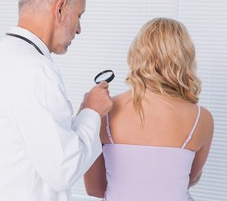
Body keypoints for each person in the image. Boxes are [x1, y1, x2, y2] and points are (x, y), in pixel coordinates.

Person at [0, 0, 113, 201]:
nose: (79, 29)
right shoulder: (34, 71)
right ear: (60, 9)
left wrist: (79, 118)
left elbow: (35, 144)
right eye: (79, 15)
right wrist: (92, 112)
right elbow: (64, 169)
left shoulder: (3, 59)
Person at [83, 17, 214, 201]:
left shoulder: (105, 112)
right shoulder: (202, 118)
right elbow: (187, 180)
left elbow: (94, 189)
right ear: (185, 57)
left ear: (136, 54)